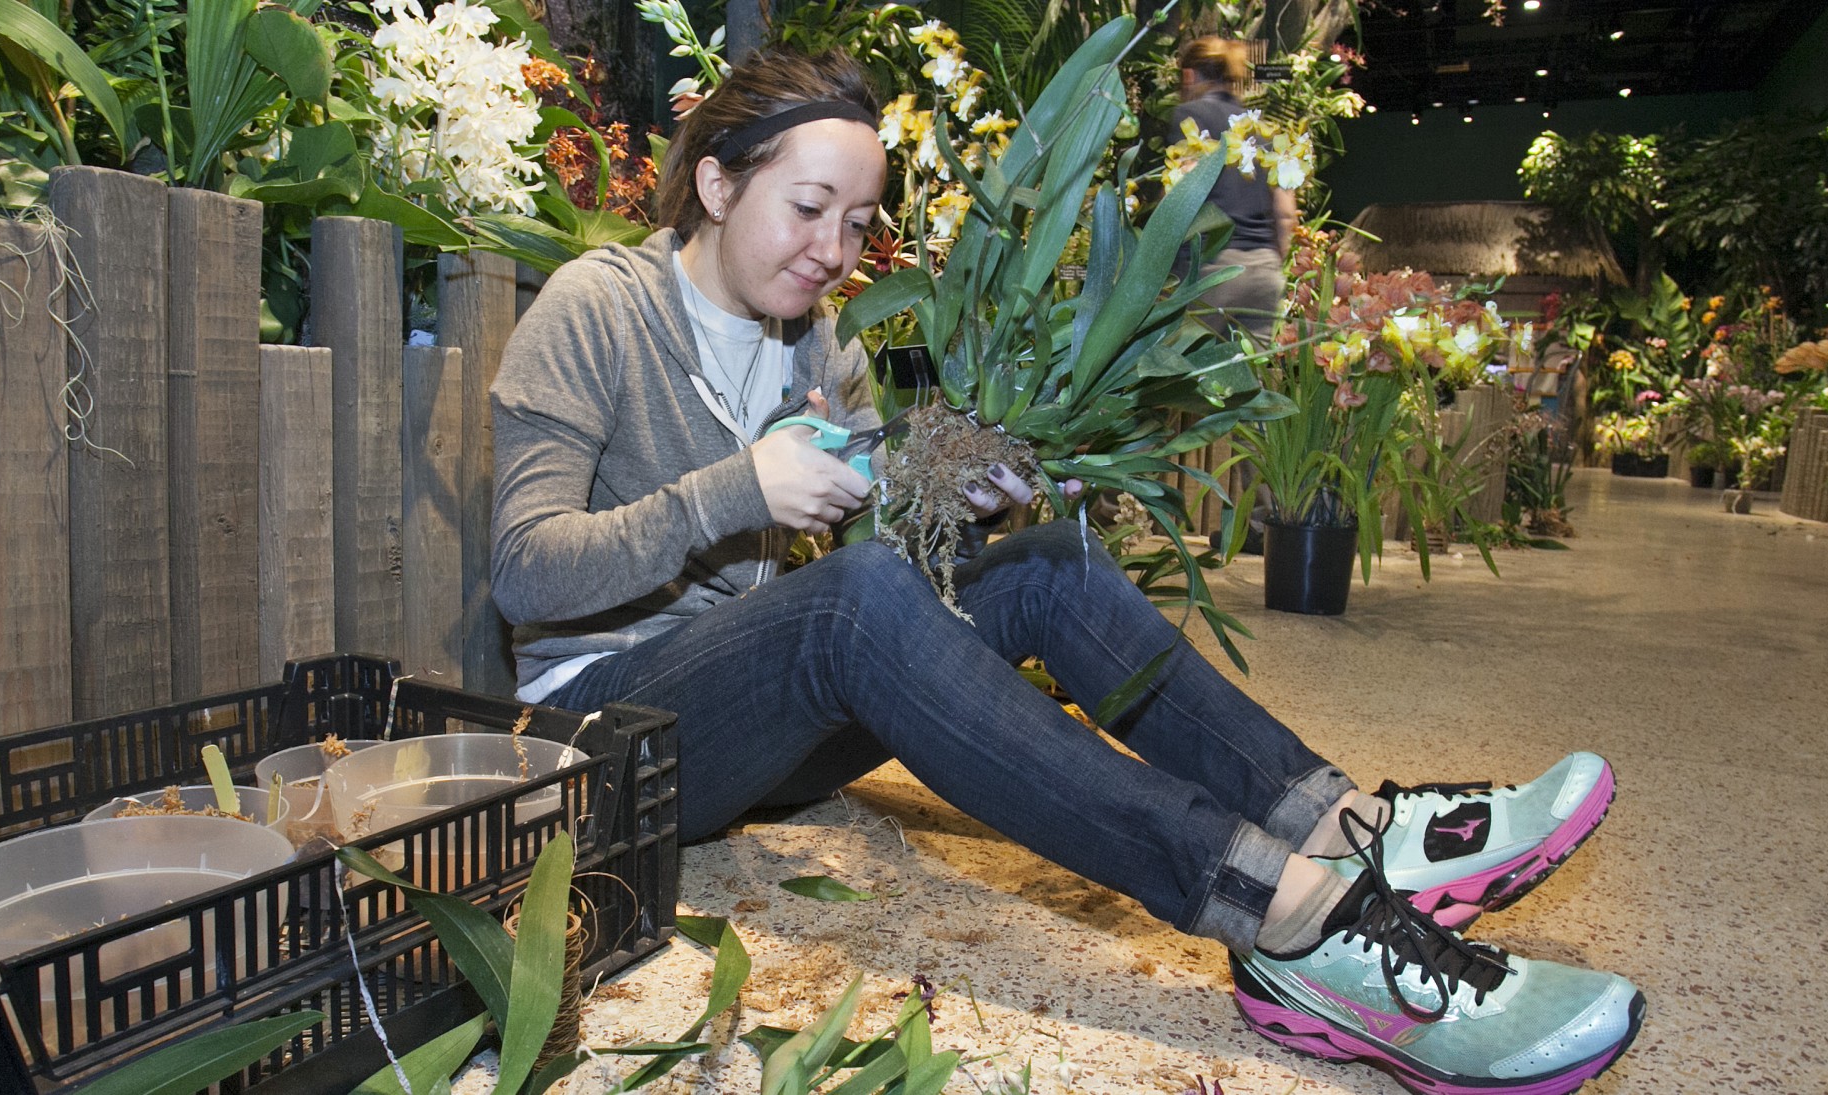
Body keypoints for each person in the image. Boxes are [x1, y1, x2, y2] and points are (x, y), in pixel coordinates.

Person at [488, 47, 1644, 1094]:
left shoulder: (815, 346)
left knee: (1040, 563)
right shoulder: (599, 308)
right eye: (807, 209)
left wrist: (952, 502)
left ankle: (1344, 825)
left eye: (856, 220)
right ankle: (1294, 921)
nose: (834, 252)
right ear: (718, 184)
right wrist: (737, 490)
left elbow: (850, 570)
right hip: (603, 743)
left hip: (756, 731)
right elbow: (525, 579)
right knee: (854, 604)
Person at [1175, 37, 1297, 342]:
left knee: (1190, 376)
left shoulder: (1189, 117)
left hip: (1211, 270)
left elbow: (1181, 191)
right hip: (1264, 270)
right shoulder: (1261, 126)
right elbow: (1285, 212)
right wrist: (1273, 260)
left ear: (1189, 76)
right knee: (1252, 378)